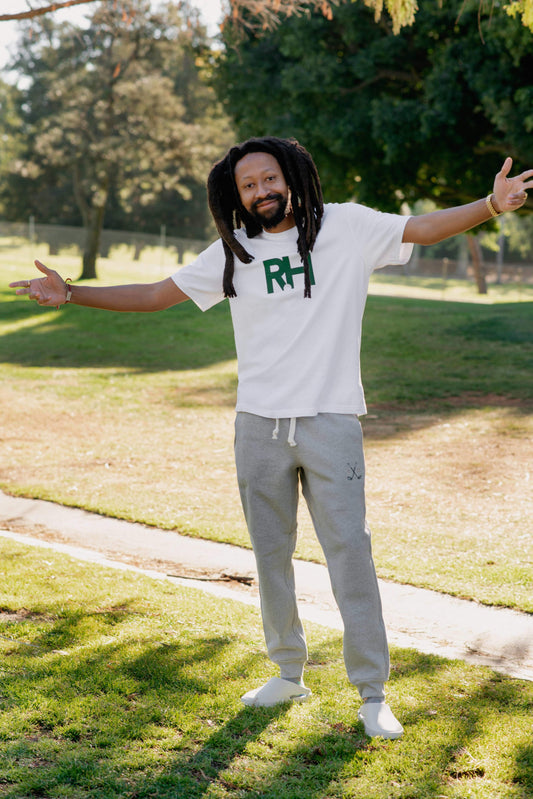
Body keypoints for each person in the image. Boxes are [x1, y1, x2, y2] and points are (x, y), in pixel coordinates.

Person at [11, 137, 532, 740]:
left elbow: (423, 228)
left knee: (350, 554)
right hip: (258, 425)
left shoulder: (347, 227)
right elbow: (156, 295)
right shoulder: (233, 252)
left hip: (331, 420)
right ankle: (287, 672)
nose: (261, 190)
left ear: (292, 177)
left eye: (269, 178)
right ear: (235, 196)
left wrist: (490, 206)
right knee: (270, 555)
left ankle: (372, 694)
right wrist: (72, 293)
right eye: (248, 185)